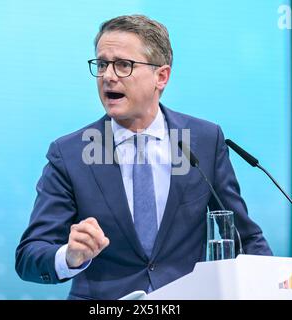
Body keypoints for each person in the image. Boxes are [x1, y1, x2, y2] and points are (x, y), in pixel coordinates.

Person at [15, 14, 272, 300]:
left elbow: (245, 238)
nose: (108, 76)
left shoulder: (203, 141)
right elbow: (29, 256)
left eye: (123, 65)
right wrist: (70, 256)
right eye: (102, 64)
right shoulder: (70, 153)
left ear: (161, 77)